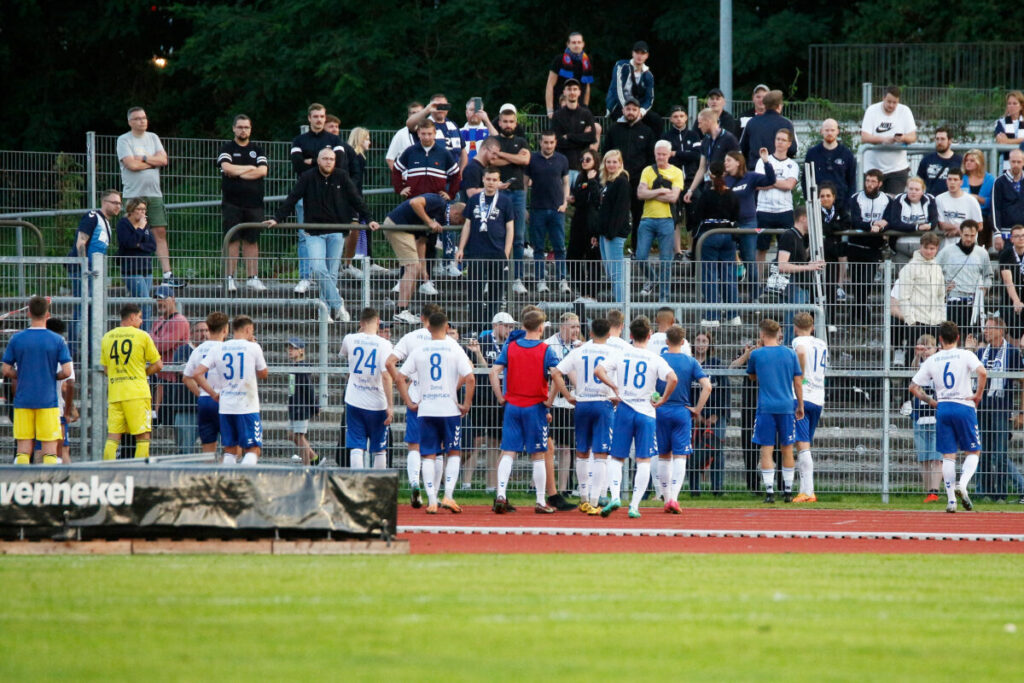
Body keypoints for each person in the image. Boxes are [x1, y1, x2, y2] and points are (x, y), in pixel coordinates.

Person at [268, 148, 381, 322]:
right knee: (319, 269)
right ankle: (338, 304)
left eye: (331, 159)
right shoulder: (307, 177)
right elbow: (293, 197)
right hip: (314, 232)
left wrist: (370, 219)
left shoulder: (342, 176)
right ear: (318, 160)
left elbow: (356, 199)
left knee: (332, 273)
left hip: (336, 232)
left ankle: (325, 312)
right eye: (325, 158)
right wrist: (277, 218)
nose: (328, 162)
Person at [593, 315, 678, 518]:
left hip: (624, 409)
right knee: (644, 460)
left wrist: (613, 385)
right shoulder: (656, 358)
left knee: (617, 457)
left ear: (630, 335)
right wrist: (663, 399)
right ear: (649, 335)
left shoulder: (622, 354)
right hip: (646, 412)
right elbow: (673, 378)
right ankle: (634, 505)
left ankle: (614, 495)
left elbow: (599, 370)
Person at [397, 311, 474, 514]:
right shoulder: (454, 348)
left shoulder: (420, 350)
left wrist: (409, 402)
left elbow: (399, 377)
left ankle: (431, 500)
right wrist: (465, 404)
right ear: (447, 327)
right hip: (449, 409)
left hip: (426, 408)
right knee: (453, 451)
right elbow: (471, 377)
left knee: (428, 454)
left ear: (428, 327)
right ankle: (447, 496)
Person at [909, 320, 987, 513]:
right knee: (973, 451)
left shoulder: (932, 360)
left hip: (943, 407)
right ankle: (963, 483)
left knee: (948, 456)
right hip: (964, 405)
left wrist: (933, 402)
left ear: (940, 339)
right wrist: (978, 395)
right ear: (958, 337)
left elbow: (913, 387)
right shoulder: (965, 354)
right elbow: (983, 372)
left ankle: (951, 501)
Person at [489, 309, 559, 514]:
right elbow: (556, 375)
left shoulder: (510, 347)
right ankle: (539, 500)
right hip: (535, 406)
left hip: (513, 405)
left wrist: (500, 397)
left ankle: (501, 494)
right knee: (538, 453)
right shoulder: (546, 349)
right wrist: (550, 400)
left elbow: (494, 372)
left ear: (523, 327)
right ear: (540, 328)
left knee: (508, 451)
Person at [551, 317, 616, 514]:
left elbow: (556, 372)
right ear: (610, 334)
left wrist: (568, 395)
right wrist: (616, 395)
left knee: (581, 451)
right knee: (601, 454)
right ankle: (595, 500)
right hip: (603, 403)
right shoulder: (614, 352)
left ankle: (584, 497)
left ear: (589, 333)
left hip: (582, 403)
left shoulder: (578, 351)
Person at [290, 103, 355, 295]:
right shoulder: (299, 140)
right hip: (306, 196)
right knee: (304, 237)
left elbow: (340, 165)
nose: (319, 119)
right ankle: (305, 277)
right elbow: (297, 166)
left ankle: (328, 284)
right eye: (315, 116)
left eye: (322, 116)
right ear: (309, 118)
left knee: (332, 238)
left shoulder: (334, 139)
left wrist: (311, 161)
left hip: (331, 197)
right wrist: (317, 166)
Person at [1, 296, 73, 465]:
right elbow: (68, 372)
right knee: (49, 450)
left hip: (23, 401)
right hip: (48, 401)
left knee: (23, 450)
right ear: (47, 314)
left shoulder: (17, 339)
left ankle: (22, 487)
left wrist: (23, 374)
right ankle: (48, 487)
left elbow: (5, 370)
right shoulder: (57, 340)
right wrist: (52, 375)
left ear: (28, 313)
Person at [191, 315, 270, 465]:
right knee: (253, 449)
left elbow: (196, 373)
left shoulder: (220, 348)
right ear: (248, 329)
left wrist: (213, 393)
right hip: (246, 406)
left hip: (226, 406)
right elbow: (263, 373)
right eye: (251, 331)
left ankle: (227, 482)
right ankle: (244, 481)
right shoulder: (253, 347)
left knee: (230, 450)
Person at [386, 303, 443, 508]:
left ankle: (414, 484)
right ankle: (433, 495)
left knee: (414, 446)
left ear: (422, 318)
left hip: (415, 397)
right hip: (439, 398)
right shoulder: (444, 339)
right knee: (437, 449)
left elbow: (389, 362)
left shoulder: (411, 338)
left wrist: (401, 384)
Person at [117, 106, 180, 286]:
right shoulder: (124, 140)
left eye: (144, 118)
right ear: (130, 122)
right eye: (137, 118)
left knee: (159, 232)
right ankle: (132, 272)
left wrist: (143, 158)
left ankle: (167, 274)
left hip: (154, 194)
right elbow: (131, 165)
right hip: (134, 194)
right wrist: (152, 162)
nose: (142, 121)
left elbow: (163, 160)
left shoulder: (153, 137)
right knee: (134, 233)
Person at [383, 192, 466, 325]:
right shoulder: (438, 202)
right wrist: (429, 222)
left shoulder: (441, 220)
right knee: (411, 267)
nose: (458, 225)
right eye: (460, 222)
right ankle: (400, 311)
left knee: (415, 268)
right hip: (398, 225)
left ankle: (403, 310)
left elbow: (421, 241)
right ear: (456, 215)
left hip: (407, 231)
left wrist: (423, 270)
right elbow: (414, 202)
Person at [654, 325, 711, 513]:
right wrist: (697, 409)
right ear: (684, 341)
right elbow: (708, 387)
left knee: (663, 456)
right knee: (680, 455)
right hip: (681, 411)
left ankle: (666, 498)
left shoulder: (658, 359)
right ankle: (674, 498)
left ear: (667, 341)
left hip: (660, 410)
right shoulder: (691, 361)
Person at [746, 318, 804, 503]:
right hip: (787, 405)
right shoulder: (790, 354)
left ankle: (769, 492)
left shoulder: (757, 355)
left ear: (762, 334)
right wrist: (800, 404)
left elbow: (752, 376)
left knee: (766, 449)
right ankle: (788, 491)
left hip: (766, 407)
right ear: (779, 334)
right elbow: (798, 381)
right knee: (787, 448)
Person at [965, 317, 1021, 502]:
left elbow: (1022, 380)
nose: (985, 331)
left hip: (1001, 408)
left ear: (1000, 330)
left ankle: (1003, 493)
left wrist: (1021, 411)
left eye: (989, 328)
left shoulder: (1012, 352)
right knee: (984, 452)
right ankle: (984, 491)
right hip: (982, 408)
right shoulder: (981, 352)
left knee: (1000, 453)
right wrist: (970, 352)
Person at [99, 303, 162, 461]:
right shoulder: (142, 336)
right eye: (140, 317)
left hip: (115, 394)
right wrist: (143, 373)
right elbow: (158, 364)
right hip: (137, 393)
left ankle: (107, 472)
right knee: (143, 437)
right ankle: (139, 473)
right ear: (133, 317)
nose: (141, 321)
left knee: (113, 437)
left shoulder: (107, 337)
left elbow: (106, 369)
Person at [455, 167, 514, 331]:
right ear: (483, 180)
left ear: (499, 181)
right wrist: (461, 248)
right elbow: (467, 224)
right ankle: (476, 326)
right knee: (475, 291)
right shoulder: (474, 199)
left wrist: (506, 252)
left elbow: (510, 228)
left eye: (495, 180)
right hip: (475, 252)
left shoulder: (505, 201)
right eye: (488, 179)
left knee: (496, 293)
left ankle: (490, 327)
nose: (491, 183)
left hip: (497, 252)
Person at [463, 311, 515, 493]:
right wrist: (478, 354)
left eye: (511, 327)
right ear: (496, 325)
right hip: (481, 396)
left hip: (499, 398)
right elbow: (483, 370)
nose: (510, 330)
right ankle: (466, 483)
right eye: (507, 326)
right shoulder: (482, 342)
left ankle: (492, 485)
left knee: (494, 443)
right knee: (476, 441)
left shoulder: (512, 344)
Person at [219, 114, 269, 293]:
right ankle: (230, 278)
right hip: (232, 203)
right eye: (239, 127)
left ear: (251, 129)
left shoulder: (258, 149)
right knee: (232, 239)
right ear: (234, 128)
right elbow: (226, 167)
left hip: (254, 203)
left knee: (252, 239)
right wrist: (249, 168)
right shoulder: (227, 148)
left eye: (246, 127)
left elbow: (262, 171)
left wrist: (239, 172)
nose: (243, 130)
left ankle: (252, 277)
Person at [340, 308, 395, 471]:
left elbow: (345, 355)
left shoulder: (350, 339)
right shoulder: (385, 344)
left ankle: (357, 485)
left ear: (360, 323)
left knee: (357, 446)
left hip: (355, 400)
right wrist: (390, 405)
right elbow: (386, 376)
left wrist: (360, 332)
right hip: (377, 402)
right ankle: (377, 487)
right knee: (379, 449)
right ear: (378, 322)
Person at [603, 98, 656, 245]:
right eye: (628, 109)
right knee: (616, 213)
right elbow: (606, 153)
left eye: (634, 109)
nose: (631, 112)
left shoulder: (647, 131)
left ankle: (636, 249)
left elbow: (651, 158)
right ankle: (613, 244)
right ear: (623, 111)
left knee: (639, 215)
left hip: (638, 181)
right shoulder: (614, 129)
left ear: (639, 111)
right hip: (617, 181)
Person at [490, 105, 531, 292]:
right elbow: (492, 161)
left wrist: (503, 155)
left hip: (518, 193)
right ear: (499, 122)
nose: (508, 124)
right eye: (505, 121)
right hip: (497, 193)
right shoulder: (492, 140)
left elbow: (525, 161)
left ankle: (517, 278)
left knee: (519, 236)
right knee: (496, 235)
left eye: (511, 121)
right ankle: (494, 277)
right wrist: (514, 158)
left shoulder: (522, 141)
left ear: (515, 123)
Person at [695, 161, 741, 327]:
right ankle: (733, 315)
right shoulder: (733, 195)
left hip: (709, 234)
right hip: (728, 234)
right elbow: (737, 215)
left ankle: (712, 315)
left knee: (710, 276)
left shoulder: (706, 194)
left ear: (711, 175)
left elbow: (698, 215)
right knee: (729, 275)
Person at [636, 140, 684, 299]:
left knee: (666, 260)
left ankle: (664, 297)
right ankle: (652, 279)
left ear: (669, 154)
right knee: (640, 256)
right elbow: (640, 194)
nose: (661, 157)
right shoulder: (647, 170)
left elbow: (673, 197)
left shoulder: (677, 172)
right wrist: (662, 190)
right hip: (647, 218)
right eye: (658, 154)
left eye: (664, 154)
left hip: (666, 219)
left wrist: (652, 192)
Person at [724, 149, 775, 294]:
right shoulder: (724, 179)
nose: (725, 163)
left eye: (728, 160)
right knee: (729, 260)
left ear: (738, 162)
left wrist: (766, 161)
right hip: (729, 224)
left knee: (750, 259)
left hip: (748, 223)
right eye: (725, 161)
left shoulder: (750, 177)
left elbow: (771, 180)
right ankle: (731, 296)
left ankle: (755, 296)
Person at [526, 131, 571, 294]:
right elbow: (525, 185)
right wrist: (525, 207)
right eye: (546, 142)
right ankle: (540, 280)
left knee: (559, 247)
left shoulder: (562, 159)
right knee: (538, 248)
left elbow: (566, 182)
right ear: (540, 142)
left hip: (557, 209)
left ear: (555, 142)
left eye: (551, 142)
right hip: (537, 209)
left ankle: (562, 280)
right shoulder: (532, 159)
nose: (548, 145)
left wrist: (565, 202)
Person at [891, 233, 946, 366]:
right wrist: (911, 320)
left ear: (937, 249)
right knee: (913, 355)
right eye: (926, 248)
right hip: (917, 321)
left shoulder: (937, 268)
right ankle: (908, 385)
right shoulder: (910, 268)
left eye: (932, 248)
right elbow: (904, 296)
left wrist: (941, 318)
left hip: (934, 321)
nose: (928, 251)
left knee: (934, 358)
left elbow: (941, 296)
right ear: (921, 247)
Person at [544, 312, 582, 502]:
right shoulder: (550, 344)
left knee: (566, 447)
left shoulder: (581, 346)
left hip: (570, 402)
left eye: (577, 326)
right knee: (548, 445)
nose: (576, 330)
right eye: (572, 326)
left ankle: (564, 487)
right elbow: (554, 373)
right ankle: (542, 486)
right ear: (562, 327)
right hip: (554, 400)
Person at [754, 128, 800, 278]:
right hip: (764, 210)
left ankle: (781, 284)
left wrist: (770, 181)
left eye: (783, 140)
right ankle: (758, 283)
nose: (779, 142)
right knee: (761, 248)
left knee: (785, 249)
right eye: (777, 139)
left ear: (789, 143)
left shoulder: (792, 165)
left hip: (784, 211)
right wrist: (778, 182)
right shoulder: (763, 161)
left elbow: (789, 186)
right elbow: (758, 184)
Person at [790, 312, 827, 503]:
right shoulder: (821, 343)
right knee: (805, 444)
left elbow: (802, 352)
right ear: (812, 327)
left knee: (802, 444)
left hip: (803, 395)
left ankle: (808, 491)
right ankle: (805, 489)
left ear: (795, 327)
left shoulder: (798, 341)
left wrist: (800, 376)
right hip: (819, 396)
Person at [689, 331, 729, 496]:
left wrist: (717, 415)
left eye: (704, 340)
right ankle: (694, 489)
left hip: (715, 416)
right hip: (693, 414)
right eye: (697, 340)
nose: (700, 343)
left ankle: (717, 489)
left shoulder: (717, 364)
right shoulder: (689, 363)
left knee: (716, 450)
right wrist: (695, 413)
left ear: (709, 344)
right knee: (693, 450)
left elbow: (725, 391)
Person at [183, 311, 229, 456]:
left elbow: (187, 377)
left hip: (205, 401)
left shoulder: (198, 350)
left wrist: (202, 393)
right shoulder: (227, 349)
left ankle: (209, 476)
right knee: (233, 448)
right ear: (225, 330)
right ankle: (223, 473)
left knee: (208, 450)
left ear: (208, 328)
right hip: (225, 400)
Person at [847, 169, 890, 325]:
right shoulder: (855, 198)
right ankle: (857, 316)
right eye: (867, 181)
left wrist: (882, 225)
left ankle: (861, 315)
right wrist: (872, 224)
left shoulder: (887, 200)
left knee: (867, 283)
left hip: (874, 249)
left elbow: (889, 220)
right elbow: (856, 221)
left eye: (873, 181)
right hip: (855, 246)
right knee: (856, 284)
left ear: (880, 183)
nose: (869, 184)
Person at [935, 220, 990, 338]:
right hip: (953, 300)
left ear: (976, 235)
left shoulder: (982, 253)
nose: (969, 239)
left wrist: (984, 288)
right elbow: (933, 273)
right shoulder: (946, 251)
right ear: (960, 233)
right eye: (966, 235)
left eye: (972, 235)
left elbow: (988, 275)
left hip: (973, 302)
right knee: (951, 337)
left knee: (971, 338)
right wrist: (943, 287)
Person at [860, 86, 918, 194]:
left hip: (897, 169)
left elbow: (913, 137)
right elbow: (864, 137)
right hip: (873, 169)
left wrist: (903, 138)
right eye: (889, 102)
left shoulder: (905, 111)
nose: (891, 105)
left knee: (894, 205)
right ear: (883, 98)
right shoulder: (872, 110)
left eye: (895, 102)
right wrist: (883, 140)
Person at [908, 334, 942, 502]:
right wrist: (917, 354)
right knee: (924, 457)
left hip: (937, 416)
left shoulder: (940, 362)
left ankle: (934, 490)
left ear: (936, 348)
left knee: (936, 456)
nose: (926, 351)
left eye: (928, 347)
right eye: (923, 348)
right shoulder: (919, 365)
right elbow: (913, 370)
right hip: (920, 416)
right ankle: (928, 490)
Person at [150, 284, 190, 426]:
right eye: (157, 299)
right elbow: (154, 345)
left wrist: (152, 340)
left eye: (163, 298)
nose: (160, 302)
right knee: (159, 419)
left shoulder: (179, 321)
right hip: (161, 377)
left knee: (168, 420)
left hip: (173, 379)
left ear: (173, 299)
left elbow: (162, 345)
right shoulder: (159, 321)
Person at [596, 150, 632, 303]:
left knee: (617, 274)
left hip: (614, 234)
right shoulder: (608, 183)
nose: (611, 165)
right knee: (611, 273)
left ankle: (621, 306)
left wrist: (611, 232)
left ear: (620, 163)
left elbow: (620, 210)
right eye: (608, 162)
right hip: (605, 233)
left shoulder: (622, 182)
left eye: (614, 162)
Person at [566, 150, 603, 303]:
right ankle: (584, 291)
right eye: (582, 159)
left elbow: (596, 200)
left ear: (595, 160)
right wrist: (573, 199)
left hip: (593, 221)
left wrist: (592, 181)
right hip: (579, 221)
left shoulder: (599, 177)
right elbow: (580, 199)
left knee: (592, 259)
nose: (584, 161)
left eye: (588, 159)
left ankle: (593, 294)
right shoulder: (580, 177)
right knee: (572, 258)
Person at [663, 106, 703, 240]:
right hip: (673, 183)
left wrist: (676, 153)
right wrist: (686, 154)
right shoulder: (666, 137)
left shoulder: (694, 135)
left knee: (694, 217)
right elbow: (665, 157)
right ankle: (678, 251)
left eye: (681, 116)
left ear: (686, 117)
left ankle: (693, 250)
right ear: (671, 119)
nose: (679, 119)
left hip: (692, 181)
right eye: (675, 116)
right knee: (675, 219)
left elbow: (697, 155)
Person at [116, 197, 157, 327]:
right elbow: (129, 242)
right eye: (139, 209)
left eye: (144, 209)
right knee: (145, 303)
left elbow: (152, 246)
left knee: (143, 304)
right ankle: (146, 334)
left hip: (146, 269)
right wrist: (139, 229)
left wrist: (139, 245)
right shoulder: (124, 224)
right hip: (132, 270)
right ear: (131, 210)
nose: (142, 212)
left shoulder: (145, 224)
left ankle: (141, 332)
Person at [803, 119, 856, 210]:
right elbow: (805, 179)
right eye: (827, 130)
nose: (829, 133)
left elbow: (852, 181)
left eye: (832, 130)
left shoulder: (847, 154)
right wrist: (810, 199)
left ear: (837, 131)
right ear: (821, 131)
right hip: (817, 204)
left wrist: (848, 203)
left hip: (841, 204)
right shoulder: (812, 153)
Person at [606, 41, 660, 132]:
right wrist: (627, 109)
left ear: (647, 56)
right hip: (618, 106)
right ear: (632, 53)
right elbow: (617, 90)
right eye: (637, 52)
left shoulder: (648, 75)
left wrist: (641, 111)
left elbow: (649, 99)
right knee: (627, 126)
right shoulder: (621, 66)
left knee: (656, 120)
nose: (639, 56)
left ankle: (655, 146)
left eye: (643, 53)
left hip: (637, 108)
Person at [739, 89, 796, 170]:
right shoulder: (786, 124)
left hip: (755, 170)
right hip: (779, 171)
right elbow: (793, 149)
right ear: (779, 106)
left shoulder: (751, 122)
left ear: (765, 105)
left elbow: (743, 148)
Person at [552, 78, 597, 178]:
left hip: (582, 168)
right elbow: (557, 142)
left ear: (579, 92)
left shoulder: (586, 114)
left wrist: (569, 136)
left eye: (575, 89)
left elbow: (591, 138)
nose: (572, 92)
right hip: (563, 169)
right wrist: (582, 138)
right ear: (564, 92)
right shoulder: (557, 115)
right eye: (569, 89)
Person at [885, 176, 939, 258]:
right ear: (906, 189)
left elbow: (933, 221)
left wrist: (930, 225)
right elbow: (895, 222)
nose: (913, 192)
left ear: (922, 191)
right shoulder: (899, 199)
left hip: (922, 246)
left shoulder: (930, 199)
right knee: (901, 270)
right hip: (901, 245)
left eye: (917, 189)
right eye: (911, 189)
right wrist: (917, 227)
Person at [287, 337, 321, 466]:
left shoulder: (302, 368)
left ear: (301, 351)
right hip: (294, 407)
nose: (290, 351)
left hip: (301, 407)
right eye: (289, 348)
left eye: (294, 348)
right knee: (291, 435)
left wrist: (315, 407)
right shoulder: (294, 366)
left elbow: (309, 389)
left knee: (300, 437)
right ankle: (314, 458)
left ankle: (307, 467)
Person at [818, 183, 852, 311]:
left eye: (828, 196)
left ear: (834, 197)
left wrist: (830, 228)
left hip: (833, 256)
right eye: (822, 196)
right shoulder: (814, 211)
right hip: (818, 255)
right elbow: (822, 227)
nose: (825, 198)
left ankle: (831, 324)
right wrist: (835, 226)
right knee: (817, 290)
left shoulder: (840, 210)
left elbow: (847, 223)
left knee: (831, 289)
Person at [546, 32, 594, 115]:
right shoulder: (559, 59)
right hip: (561, 106)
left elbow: (587, 86)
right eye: (573, 42)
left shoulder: (587, 61)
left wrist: (586, 106)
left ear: (583, 44)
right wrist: (550, 110)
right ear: (568, 44)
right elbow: (550, 85)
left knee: (597, 128)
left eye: (579, 42)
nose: (576, 45)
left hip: (580, 107)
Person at [936, 169, 983, 251]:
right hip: (946, 245)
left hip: (968, 245)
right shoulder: (939, 199)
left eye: (955, 180)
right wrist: (958, 227)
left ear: (961, 182)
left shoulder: (971, 201)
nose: (952, 182)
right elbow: (941, 224)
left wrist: (959, 231)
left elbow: (979, 225)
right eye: (949, 179)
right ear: (946, 181)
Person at [962, 149, 996, 248]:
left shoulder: (990, 179)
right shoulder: (961, 178)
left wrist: (978, 198)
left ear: (979, 162)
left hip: (983, 215)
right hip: (965, 213)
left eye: (972, 160)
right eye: (966, 160)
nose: (968, 163)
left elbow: (993, 201)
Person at [917, 127, 963, 198]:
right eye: (937, 139)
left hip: (952, 201)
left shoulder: (959, 161)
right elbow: (919, 182)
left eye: (942, 139)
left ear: (950, 141)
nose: (939, 142)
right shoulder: (926, 160)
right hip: (931, 201)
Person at [992, 149, 1024, 250]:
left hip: (1023, 234)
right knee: (1007, 265)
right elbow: (995, 209)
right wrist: (997, 233)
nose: (1016, 164)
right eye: (1013, 161)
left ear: (1023, 162)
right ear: (1009, 162)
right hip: (1006, 235)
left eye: (1019, 162)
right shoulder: (999, 182)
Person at [998, 224, 1024, 341]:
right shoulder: (1006, 254)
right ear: (1011, 239)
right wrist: (1016, 300)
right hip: (1010, 299)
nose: (1021, 238)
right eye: (1017, 236)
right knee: (1014, 331)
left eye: (1023, 235)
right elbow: (1008, 281)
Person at [385, 102, 423, 171]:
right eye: (413, 113)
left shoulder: (430, 133)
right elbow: (390, 159)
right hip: (407, 178)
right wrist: (399, 177)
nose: (416, 115)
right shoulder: (401, 134)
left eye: (419, 113)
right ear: (409, 115)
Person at [995, 91, 1024, 170]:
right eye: (1009, 103)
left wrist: (1008, 140)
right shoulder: (1000, 122)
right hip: (1006, 163)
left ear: (1021, 106)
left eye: (1015, 103)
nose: (1011, 106)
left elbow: (1006, 141)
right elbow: (1001, 141)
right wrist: (1022, 140)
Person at [460, 98, 493, 162]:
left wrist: (487, 121)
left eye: (477, 110)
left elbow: (499, 140)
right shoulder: (458, 132)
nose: (475, 113)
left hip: (484, 170)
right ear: (466, 112)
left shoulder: (489, 131)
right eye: (472, 110)